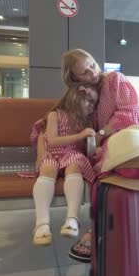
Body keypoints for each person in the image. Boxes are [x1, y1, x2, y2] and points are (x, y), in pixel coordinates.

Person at [61, 48, 139, 263]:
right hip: (111, 143)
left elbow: (130, 111)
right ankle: (107, 229)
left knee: (105, 168)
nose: (92, 72)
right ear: (73, 77)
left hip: (133, 137)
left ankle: (98, 231)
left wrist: (102, 134)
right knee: (103, 170)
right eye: (84, 72)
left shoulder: (114, 79)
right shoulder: (85, 95)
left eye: (91, 65)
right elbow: (84, 127)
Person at [30, 86, 98, 247]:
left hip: (72, 154)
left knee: (74, 166)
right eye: (88, 101)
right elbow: (52, 140)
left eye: (93, 103)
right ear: (75, 98)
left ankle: (72, 219)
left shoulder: (87, 121)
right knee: (47, 169)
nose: (91, 106)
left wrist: (92, 142)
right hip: (52, 153)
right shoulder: (55, 115)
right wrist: (80, 135)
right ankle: (42, 223)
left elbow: (87, 147)